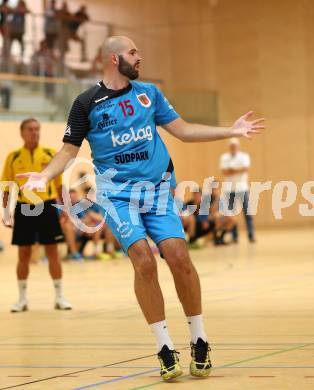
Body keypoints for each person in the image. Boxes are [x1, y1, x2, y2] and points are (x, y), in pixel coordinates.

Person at [18, 36, 264, 380]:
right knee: (144, 260)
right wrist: (44, 176)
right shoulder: (85, 103)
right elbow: (68, 152)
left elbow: (184, 130)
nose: (140, 56)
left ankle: (199, 338)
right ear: (113, 58)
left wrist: (230, 130)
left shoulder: (149, 93)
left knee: (179, 256)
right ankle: (164, 347)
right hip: (117, 196)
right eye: (133, 52)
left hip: (158, 191)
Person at [1, 118, 72, 312]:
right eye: (31, 130)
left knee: (52, 253)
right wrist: (6, 213)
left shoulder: (50, 154)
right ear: (22, 132)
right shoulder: (13, 157)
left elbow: (59, 186)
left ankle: (59, 297)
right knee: (23, 255)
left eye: (37, 129)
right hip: (24, 208)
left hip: (47, 207)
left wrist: (66, 209)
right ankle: (22, 299)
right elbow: (6, 188)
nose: (35, 133)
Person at [220, 138, 255, 243]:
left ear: (238, 146)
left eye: (235, 145)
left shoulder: (244, 156)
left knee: (247, 212)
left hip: (242, 188)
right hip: (229, 189)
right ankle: (234, 236)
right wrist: (237, 169)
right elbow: (225, 172)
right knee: (231, 214)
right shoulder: (224, 157)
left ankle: (251, 235)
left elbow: (245, 169)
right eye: (231, 145)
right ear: (229, 146)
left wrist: (231, 169)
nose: (233, 147)